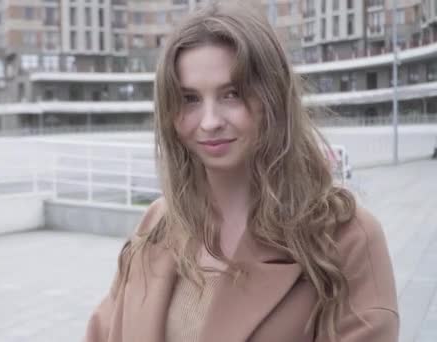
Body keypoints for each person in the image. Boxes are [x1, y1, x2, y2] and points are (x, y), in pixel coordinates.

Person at [84, 2, 398, 342]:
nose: (209, 122)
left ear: (273, 98)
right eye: (189, 98)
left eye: (231, 94)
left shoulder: (346, 236)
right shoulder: (157, 223)